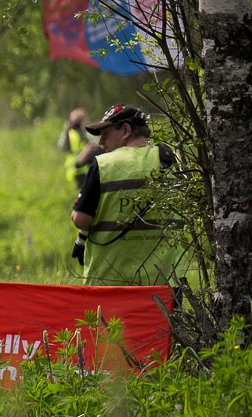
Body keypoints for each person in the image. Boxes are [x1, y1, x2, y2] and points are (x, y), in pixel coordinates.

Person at [69, 104, 183, 285]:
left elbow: (80, 220)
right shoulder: (169, 159)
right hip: (163, 284)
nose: (100, 143)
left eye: (105, 135)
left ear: (126, 130)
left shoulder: (104, 164)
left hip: (109, 282)